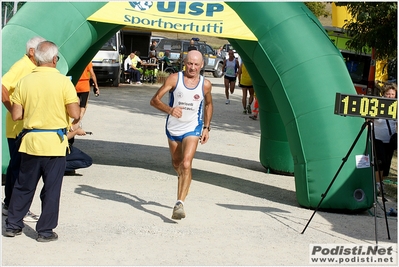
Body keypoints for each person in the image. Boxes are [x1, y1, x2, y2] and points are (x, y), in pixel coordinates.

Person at [5, 41, 81, 241]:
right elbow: (74, 113)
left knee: (24, 185)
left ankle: (13, 225)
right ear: (55, 59)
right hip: (55, 143)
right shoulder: (64, 82)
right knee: (51, 189)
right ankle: (45, 231)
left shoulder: (25, 81)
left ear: (37, 58)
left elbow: (16, 116)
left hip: (31, 141)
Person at [150, 50, 213, 220]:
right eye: (190, 63)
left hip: (193, 127)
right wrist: (170, 110)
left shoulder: (205, 84)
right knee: (177, 163)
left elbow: (208, 105)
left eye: (196, 64)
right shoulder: (174, 79)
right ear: (184, 62)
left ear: (201, 66)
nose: (192, 67)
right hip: (173, 128)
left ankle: (179, 203)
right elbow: (154, 100)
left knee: (186, 163)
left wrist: (206, 127)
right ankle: (185, 180)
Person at [1, 36, 46, 221]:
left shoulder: (34, 67)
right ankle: (16, 207)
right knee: (19, 168)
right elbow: (3, 86)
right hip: (18, 126)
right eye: (40, 50)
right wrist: (13, 110)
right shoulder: (22, 66)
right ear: (32, 51)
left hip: (26, 126)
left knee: (16, 166)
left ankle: (10, 204)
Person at [373, 83, 397, 197]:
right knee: (380, 161)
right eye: (388, 94)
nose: (390, 96)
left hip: (390, 139)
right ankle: (377, 184)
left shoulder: (396, 106)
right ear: (384, 94)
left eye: (392, 94)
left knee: (387, 164)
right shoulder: (378, 104)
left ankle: (381, 183)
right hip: (378, 138)